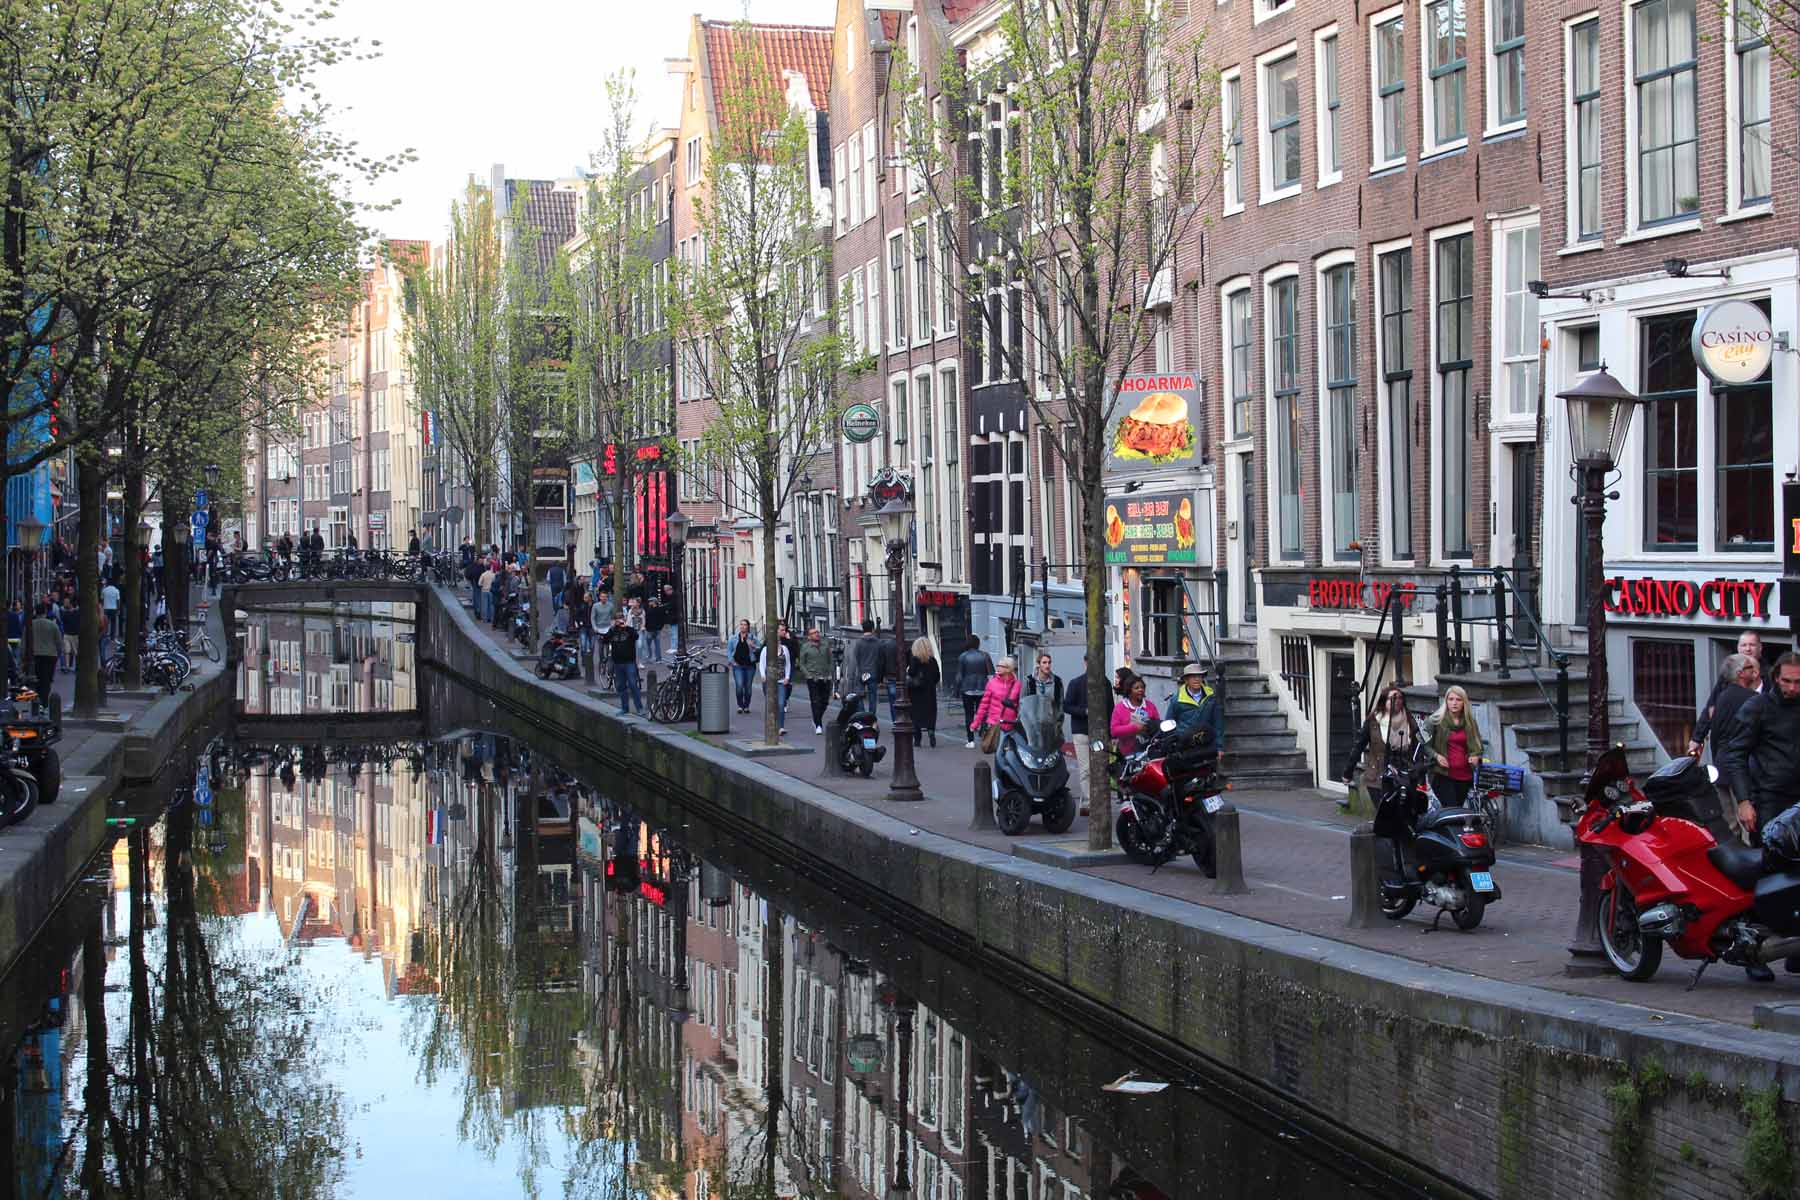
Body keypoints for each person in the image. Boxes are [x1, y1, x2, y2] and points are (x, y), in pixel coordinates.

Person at [1701, 653, 1762, 845]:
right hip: (1741, 769)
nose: (1755, 671)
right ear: (1740, 673)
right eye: (1749, 668)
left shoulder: (1722, 697)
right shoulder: (1753, 699)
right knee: (1748, 823)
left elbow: (1716, 733)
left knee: (1730, 825)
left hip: (1721, 765)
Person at [1692, 632, 1774, 756]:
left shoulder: (1770, 675)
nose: (1747, 649)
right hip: (1731, 744)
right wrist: (1697, 738)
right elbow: (1711, 707)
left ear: (1760, 647)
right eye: (1744, 645)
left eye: (1751, 645)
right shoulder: (1727, 677)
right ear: (1738, 648)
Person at [1342, 685, 1422, 809]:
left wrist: (1417, 771)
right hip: (1378, 776)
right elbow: (1359, 746)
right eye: (1392, 698)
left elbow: (1418, 747)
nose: (1397, 701)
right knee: (1383, 814)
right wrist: (1348, 772)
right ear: (1384, 701)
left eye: (1400, 698)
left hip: (1403, 776)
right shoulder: (1373, 721)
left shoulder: (1409, 721)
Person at [1426, 684, 1483, 809]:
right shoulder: (1435, 721)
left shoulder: (1470, 722)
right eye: (1451, 699)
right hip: (1443, 774)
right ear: (1446, 701)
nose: (1454, 703)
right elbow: (1424, 745)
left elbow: (1477, 745)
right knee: (1452, 809)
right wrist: (1436, 756)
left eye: (1458, 699)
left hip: (1464, 775)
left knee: (1458, 808)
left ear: (1464, 702)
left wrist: (1475, 756)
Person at [968, 656, 1021, 748]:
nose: (998, 668)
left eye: (1001, 666)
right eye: (998, 665)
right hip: (995, 724)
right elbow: (984, 705)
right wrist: (976, 723)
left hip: (1011, 725)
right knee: (998, 753)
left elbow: (1021, 704)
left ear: (1009, 669)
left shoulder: (1017, 684)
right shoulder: (992, 683)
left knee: (1012, 755)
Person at [1169, 664, 1223, 747]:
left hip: (1206, 743)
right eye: (1193, 677)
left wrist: (1219, 747)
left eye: (1199, 676)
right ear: (1186, 680)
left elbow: (1218, 723)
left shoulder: (1211, 697)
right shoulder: (1176, 700)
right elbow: (1169, 722)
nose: (1197, 679)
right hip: (1185, 745)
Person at [955, 635, 995, 749]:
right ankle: (983, 733)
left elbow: (959, 675)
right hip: (983, 688)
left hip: (967, 688)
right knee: (982, 713)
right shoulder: (985, 655)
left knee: (969, 714)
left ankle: (970, 740)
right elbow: (991, 673)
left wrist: (957, 690)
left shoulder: (963, 656)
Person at [602, 611, 644, 715]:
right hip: (618, 662)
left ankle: (639, 708)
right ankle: (625, 708)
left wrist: (626, 628)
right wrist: (611, 629)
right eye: (617, 619)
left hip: (629, 662)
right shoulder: (612, 631)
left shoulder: (629, 630)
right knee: (621, 686)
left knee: (633, 684)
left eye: (621, 618)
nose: (619, 621)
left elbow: (636, 636)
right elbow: (605, 640)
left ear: (624, 619)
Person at [848, 618, 888, 722]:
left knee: (859, 695)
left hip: (861, 673)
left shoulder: (859, 643)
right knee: (873, 696)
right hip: (873, 673)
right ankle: (871, 716)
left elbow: (855, 658)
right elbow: (881, 659)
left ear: (862, 629)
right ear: (873, 629)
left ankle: (862, 714)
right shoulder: (878, 643)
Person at [1109, 675, 1160, 755]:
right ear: (1129, 691)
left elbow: (1158, 726)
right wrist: (1134, 727)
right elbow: (1114, 731)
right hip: (1126, 753)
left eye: (1142, 687)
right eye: (1136, 688)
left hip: (1148, 751)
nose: (1140, 690)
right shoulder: (1120, 708)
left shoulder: (1150, 706)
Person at [798, 627, 835, 734]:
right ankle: (818, 725)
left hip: (825, 678)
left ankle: (816, 718)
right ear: (809, 636)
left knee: (824, 701)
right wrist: (808, 675)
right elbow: (802, 663)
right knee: (815, 701)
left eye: (817, 632)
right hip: (812, 678)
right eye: (813, 633)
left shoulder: (825, 645)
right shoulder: (805, 647)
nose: (816, 634)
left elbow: (830, 660)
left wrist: (830, 673)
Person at [906, 637, 941, 747]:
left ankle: (917, 739)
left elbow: (911, 673)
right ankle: (931, 731)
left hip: (916, 692)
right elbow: (937, 676)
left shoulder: (915, 660)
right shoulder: (933, 660)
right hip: (929, 691)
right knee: (931, 713)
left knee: (915, 715)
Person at [1066, 656, 1091, 800]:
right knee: (1086, 768)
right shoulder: (1076, 683)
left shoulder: (1104, 683)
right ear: (1085, 663)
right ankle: (1088, 800)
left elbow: (1110, 707)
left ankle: (1090, 798)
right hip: (1081, 730)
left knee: (1097, 768)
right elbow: (1067, 706)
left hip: (1098, 733)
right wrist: (1084, 711)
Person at [759, 634, 792, 736]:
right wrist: (763, 675)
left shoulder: (784, 649)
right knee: (771, 704)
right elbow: (762, 664)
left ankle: (781, 727)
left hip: (781, 681)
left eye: (777, 639)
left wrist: (787, 677)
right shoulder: (766, 649)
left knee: (781, 704)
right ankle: (771, 725)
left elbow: (788, 664)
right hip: (769, 681)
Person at [727, 619, 760, 714]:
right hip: (738, 666)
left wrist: (753, 645)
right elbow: (729, 650)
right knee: (739, 686)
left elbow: (761, 648)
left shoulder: (753, 638)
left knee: (748, 687)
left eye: (745, 625)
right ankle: (740, 705)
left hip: (750, 666)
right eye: (741, 624)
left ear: (748, 627)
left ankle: (746, 706)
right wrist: (731, 661)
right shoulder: (733, 638)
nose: (742, 626)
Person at [29, 603, 59, 700]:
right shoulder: (52, 625)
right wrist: (58, 653)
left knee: (35, 680)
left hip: (35, 655)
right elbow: (58, 642)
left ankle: (36, 700)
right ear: (45, 612)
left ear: (35, 612)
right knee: (46, 680)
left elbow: (25, 642)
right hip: (50, 656)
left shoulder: (30, 625)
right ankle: (44, 701)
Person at [644, 588, 668, 662]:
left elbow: (662, 619)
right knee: (656, 644)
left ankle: (650, 657)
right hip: (654, 629)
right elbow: (663, 619)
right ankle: (658, 658)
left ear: (654, 602)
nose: (649, 602)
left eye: (650, 601)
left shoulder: (651, 610)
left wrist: (647, 627)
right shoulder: (657, 609)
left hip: (652, 629)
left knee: (648, 644)